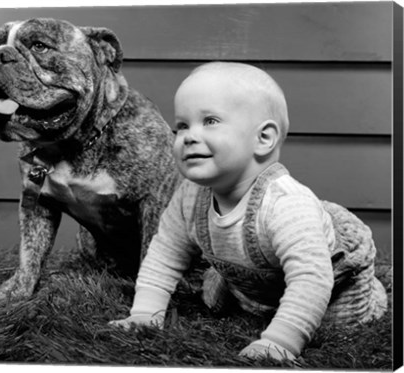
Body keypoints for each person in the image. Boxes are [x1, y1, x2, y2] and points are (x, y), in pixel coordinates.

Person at [109, 62, 388, 361]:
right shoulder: (189, 196)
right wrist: (144, 314)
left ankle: (372, 296)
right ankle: (259, 303)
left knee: (333, 327)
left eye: (211, 121)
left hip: (332, 279)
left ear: (263, 139)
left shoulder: (285, 203)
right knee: (215, 297)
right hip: (253, 281)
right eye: (182, 126)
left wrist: (280, 342)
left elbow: (312, 279)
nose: (188, 136)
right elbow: (164, 255)